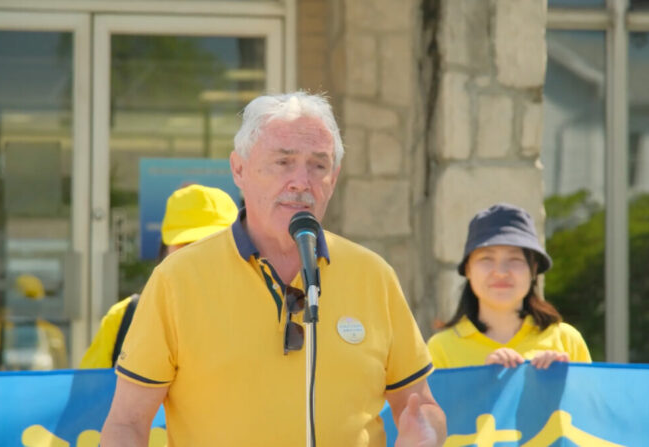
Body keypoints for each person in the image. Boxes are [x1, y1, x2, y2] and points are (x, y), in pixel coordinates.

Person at [101, 92, 446, 446]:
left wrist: (426, 434)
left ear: (334, 178)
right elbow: (127, 422)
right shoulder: (177, 279)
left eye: (319, 165)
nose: (301, 181)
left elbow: (422, 407)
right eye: (283, 162)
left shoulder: (374, 276)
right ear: (239, 169)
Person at [79, 184, 238, 368]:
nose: (198, 256)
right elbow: (88, 393)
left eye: (210, 244)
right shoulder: (126, 317)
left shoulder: (265, 315)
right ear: (165, 249)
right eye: (187, 244)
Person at [428, 203, 591, 369]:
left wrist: (559, 383)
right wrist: (482, 380)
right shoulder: (441, 348)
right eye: (486, 259)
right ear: (468, 269)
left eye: (515, 260)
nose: (500, 272)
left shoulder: (566, 340)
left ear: (533, 269)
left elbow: (591, 395)